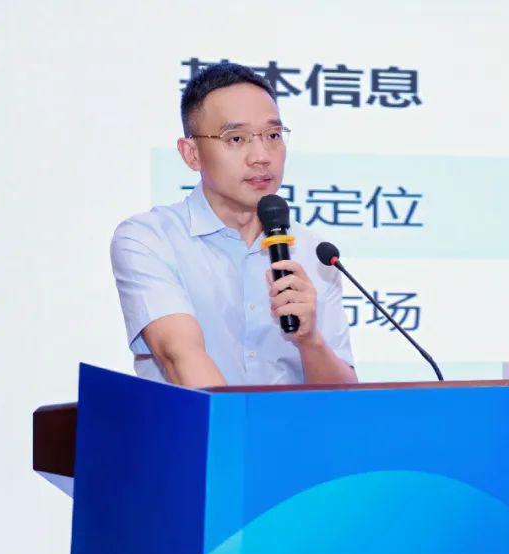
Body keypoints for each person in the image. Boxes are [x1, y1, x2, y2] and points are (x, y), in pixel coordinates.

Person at [110, 62, 357, 388]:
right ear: (192, 154)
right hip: (203, 422)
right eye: (236, 138)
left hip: (289, 424)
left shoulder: (314, 252)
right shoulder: (149, 239)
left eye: (272, 135)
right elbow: (180, 357)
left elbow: (343, 399)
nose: (261, 156)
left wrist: (311, 341)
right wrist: (240, 423)